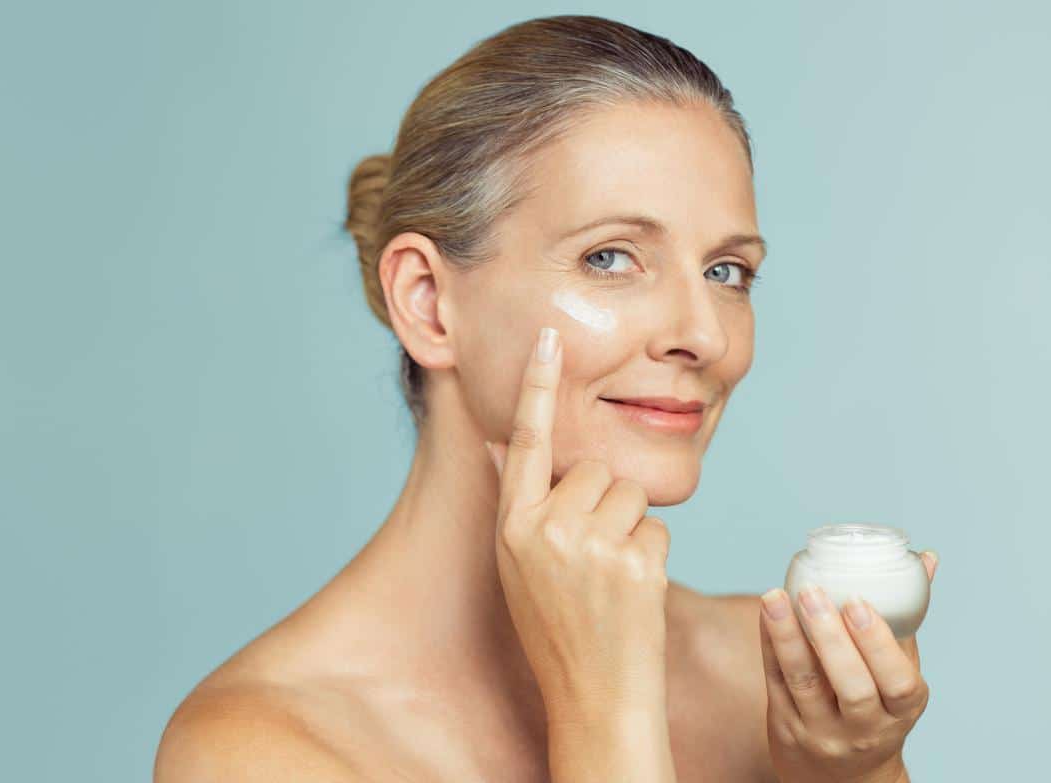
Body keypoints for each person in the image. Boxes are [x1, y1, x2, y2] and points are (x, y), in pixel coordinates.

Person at [154, 14, 936, 782]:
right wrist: (606, 714)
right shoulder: (260, 750)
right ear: (427, 301)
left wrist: (854, 774)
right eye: (610, 257)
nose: (704, 336)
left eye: (726, 271)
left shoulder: (764, 676)